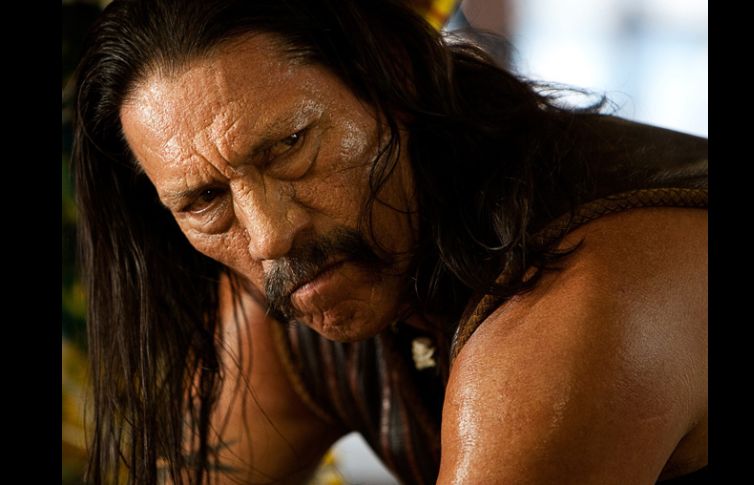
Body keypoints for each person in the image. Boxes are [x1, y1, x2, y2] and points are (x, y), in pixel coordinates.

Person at [72, 0, 708, 484]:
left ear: (393, 77)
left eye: (290, 146)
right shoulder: (304, 281)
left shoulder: (583, 294)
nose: (270, 236)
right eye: (205, 200)